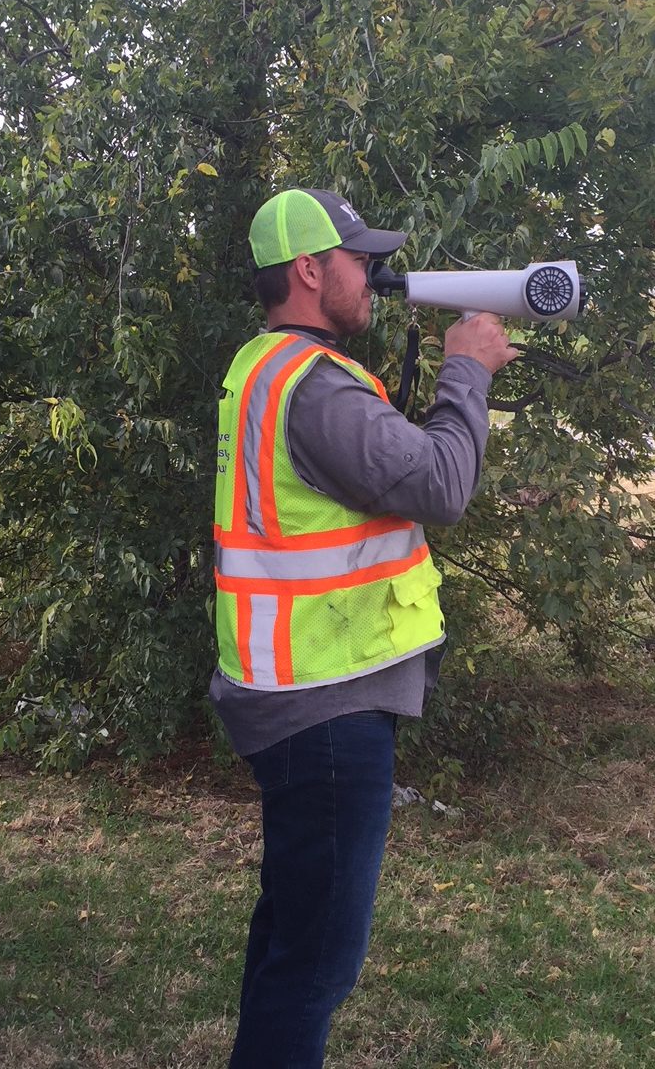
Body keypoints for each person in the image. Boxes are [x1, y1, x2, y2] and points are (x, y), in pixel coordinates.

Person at [211, 187, 517, 1068]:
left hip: (293, 694)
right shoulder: (315, 390)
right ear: (310, 270)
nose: (374, 278)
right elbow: (440, 486)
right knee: (314, 967)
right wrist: (468, 369)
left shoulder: (264, 370)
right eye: (359, 261)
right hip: (325, 709)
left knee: (290, 940)